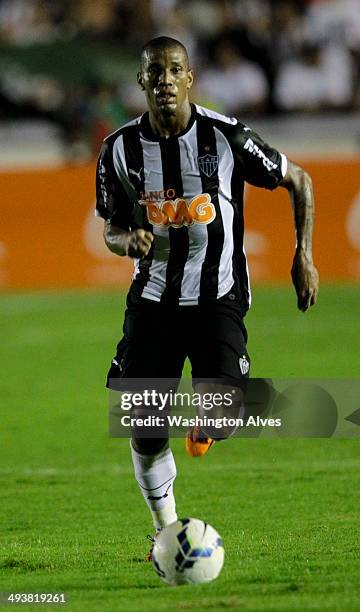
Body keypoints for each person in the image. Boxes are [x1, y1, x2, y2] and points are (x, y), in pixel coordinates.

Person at [95, 36, 319, 557]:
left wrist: (302, 254)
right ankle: (167, 529)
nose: (166, 80)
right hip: (152, 302)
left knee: (225, 412)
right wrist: (126, 240)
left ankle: (210, 427)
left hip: (218, 293)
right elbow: (110, 226)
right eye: (155, 72)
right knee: (145, 428)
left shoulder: (227, 137)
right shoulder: (119, 150)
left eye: (176, 70)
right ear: (142, 83)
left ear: (190, 78)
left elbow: (299, 179)